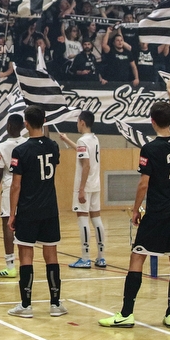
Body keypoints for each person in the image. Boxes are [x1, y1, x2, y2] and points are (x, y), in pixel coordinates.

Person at [100, 77, 170, 329]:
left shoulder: (150, 149)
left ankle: (127, 313)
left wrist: (137, 209)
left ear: (151, 121)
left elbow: (143, 184)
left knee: (136, 258)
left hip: (158, 211)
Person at [7, 105, 67, 319]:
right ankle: (55, 303)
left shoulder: (21, 150)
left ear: (26, 123)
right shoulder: (53, 146)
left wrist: (12, 213)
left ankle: (26, 305)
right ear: (44, 121)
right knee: (51, 255)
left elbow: (16, 185)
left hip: (28, 209)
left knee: (26, 255)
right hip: (50, 208)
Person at [58, 111, 106, 269]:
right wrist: (67, 140)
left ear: (82, 122)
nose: (77, 124)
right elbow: (82, 151)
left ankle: (85, 257)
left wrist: (81, 189)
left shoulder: (82, 140)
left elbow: (86, 164)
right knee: (96, 218)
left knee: (83, 218)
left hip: (85, 184)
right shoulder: (94, 138)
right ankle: (101, 257)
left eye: (78, 121)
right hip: (95, 184)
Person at [0, 114, 25, 278]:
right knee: (23, 223)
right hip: (25, 186)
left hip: (9, 184)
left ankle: (10, 266)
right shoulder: (27, 143)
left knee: (8, 223)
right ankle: (26, 262)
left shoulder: (2, 146)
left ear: (10, 126)